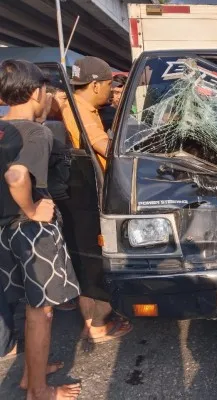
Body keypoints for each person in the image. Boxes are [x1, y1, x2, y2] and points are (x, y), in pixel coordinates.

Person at [0, 59, 82, 399]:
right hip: (30, 231)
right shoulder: (36, 132)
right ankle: (37, 391)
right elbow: (17, 176)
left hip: (3, 229)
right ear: (37, 92)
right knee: (41, 311)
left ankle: (30, 374)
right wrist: (34, 209)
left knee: (23, 303)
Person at [61, 56, 132, 346]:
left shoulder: (69, 105)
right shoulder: (84, 112)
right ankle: (99, 324)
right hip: (88, 194)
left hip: (76, 194)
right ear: (94, 85)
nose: (108, 90)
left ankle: (91, 321)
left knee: (84, 257)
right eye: (107, 85)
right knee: (98, 259)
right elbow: (103, 146)